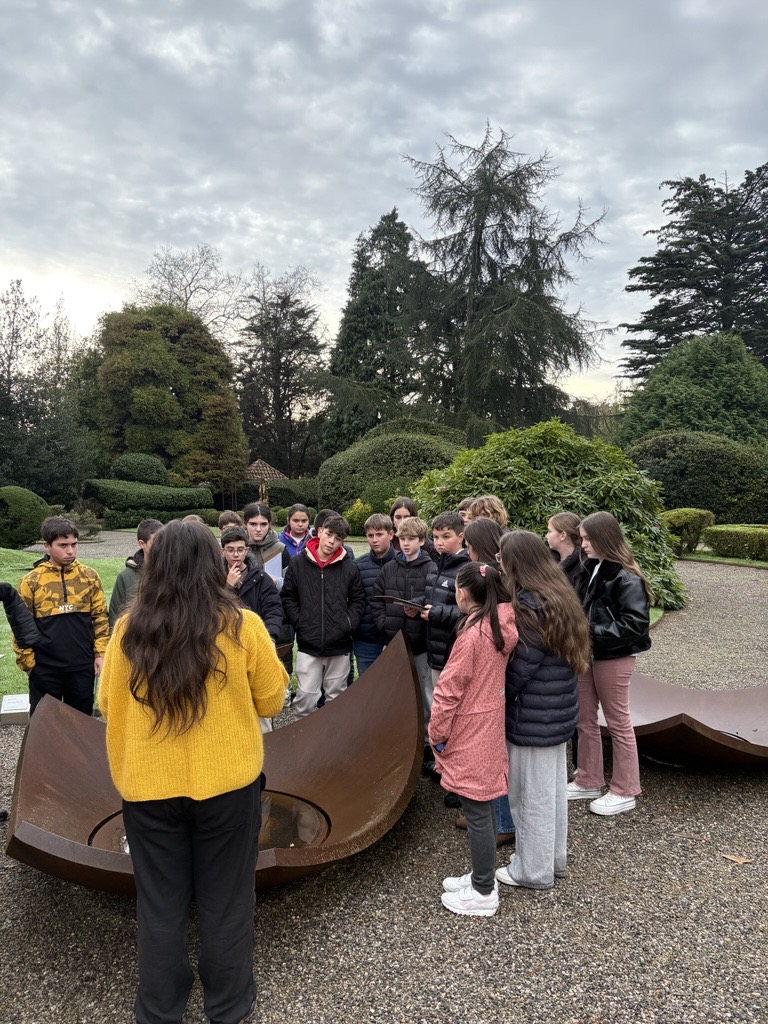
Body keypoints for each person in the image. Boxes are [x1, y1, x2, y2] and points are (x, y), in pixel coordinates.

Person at [99, 519, 287, 1024]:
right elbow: (273, 698)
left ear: (154, 566)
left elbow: (106, 703)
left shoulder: (127, 630)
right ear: (214, 564)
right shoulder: (242, 626)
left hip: (148, 788)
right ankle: (228, 1002)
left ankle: (160, 1007)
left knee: (160, 902)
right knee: (227, 899)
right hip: (227, 787)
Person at [495, 531, 590, 892]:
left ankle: (532, 870)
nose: (499, 564)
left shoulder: (528, 604)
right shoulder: (558, 593)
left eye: (502, 557)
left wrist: (496, 694)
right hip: (555, 711)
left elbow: (521, 667)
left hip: (532, 715)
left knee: (529, 797)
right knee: (550, 794)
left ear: (515, 561)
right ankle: (552, 859)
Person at [430, 562, 518, 917]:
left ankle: (483, 891)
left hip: (469, 729)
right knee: (482, 806)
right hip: (488, 724)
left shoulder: (473, 636)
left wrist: (436, 732)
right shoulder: (500, 624)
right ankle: (483, 874)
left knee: (478, 812)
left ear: (463, 594)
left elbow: (448, 690)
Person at [568, 511, 651, 816]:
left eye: (588, 538)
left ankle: (625, 790)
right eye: (582, 538)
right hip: (589, 654)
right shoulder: (592, 568)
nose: (583, 544)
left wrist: (588, 631)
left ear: (604, 538)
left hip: (614, 656)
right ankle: (588, 779)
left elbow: (635, 625)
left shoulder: (626, 577)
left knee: (617, 722)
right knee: (584, 718)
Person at [454, 515, 515, 846]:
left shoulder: (491, 576)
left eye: (468, 544)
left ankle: (502, 822)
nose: (467, 550)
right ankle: (489, 815)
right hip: (496, 682)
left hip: (492, 685)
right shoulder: (496, 574)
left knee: (492, 758)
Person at [13, 516, 109, 717]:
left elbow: (100, 617)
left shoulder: (89, 577)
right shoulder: (31, 581)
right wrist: (28, 664)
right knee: (46, 724)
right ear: (47, 546)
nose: (70, 551)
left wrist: (100, 653)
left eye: (74, 544)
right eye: (63, 545)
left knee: (80, 723)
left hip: (82, 666)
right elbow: (20, 626)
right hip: (45, 668)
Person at [281, 515, 365, 719]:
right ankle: (303, 736)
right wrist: (300, 623)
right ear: (319, 532)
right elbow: (288, 597)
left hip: (340, 645)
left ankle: (335, 737)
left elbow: (358, 601)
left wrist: (347, 625)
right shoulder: (298, 563)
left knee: (336, 700)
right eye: (329, 535)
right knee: (305, 699)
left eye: (338, 538)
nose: (331, 542)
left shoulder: (349, 567)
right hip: (308, 644)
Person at [372, 516, 435, 743]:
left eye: (411, 539)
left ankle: (427, 741)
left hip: (421, 645)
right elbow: (376, 600)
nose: (406, 544)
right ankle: (398, 738)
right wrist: (384, 625)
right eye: (402, 539)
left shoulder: (431, 568)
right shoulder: (389, 568)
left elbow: (435, 600)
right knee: (395, 693)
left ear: (422, 540)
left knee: (427, 694)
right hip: (394, 641)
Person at [221, 527, 283, 643]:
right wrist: (228, 587)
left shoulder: (261, 578)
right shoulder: (215, 577)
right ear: (223, 551)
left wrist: (270, 637)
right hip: (225, 639)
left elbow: (273, 609)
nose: (236, 554)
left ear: (246, 550)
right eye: (230, 550)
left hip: (255, 639)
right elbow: (214, 609)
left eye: (240, 550)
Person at [353, 513, 396, 677]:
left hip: (394, 639)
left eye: (379, 534)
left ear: (391, 534)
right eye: (370, 535)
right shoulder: (358, 565)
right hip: (366, 640)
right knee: (368, 685)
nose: (374, 540)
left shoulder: (403, 563)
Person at [108, 519, 163, 628]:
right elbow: (115, 618)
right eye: (156, 542)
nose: (161, 546)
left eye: (163, 541)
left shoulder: (172, 572)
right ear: (142, 544)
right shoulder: (125, 577)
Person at [545, 512, 588, 600]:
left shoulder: (585, 565)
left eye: (549, 531)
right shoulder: (547, 561)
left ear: (563, 535)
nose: (546, 536)